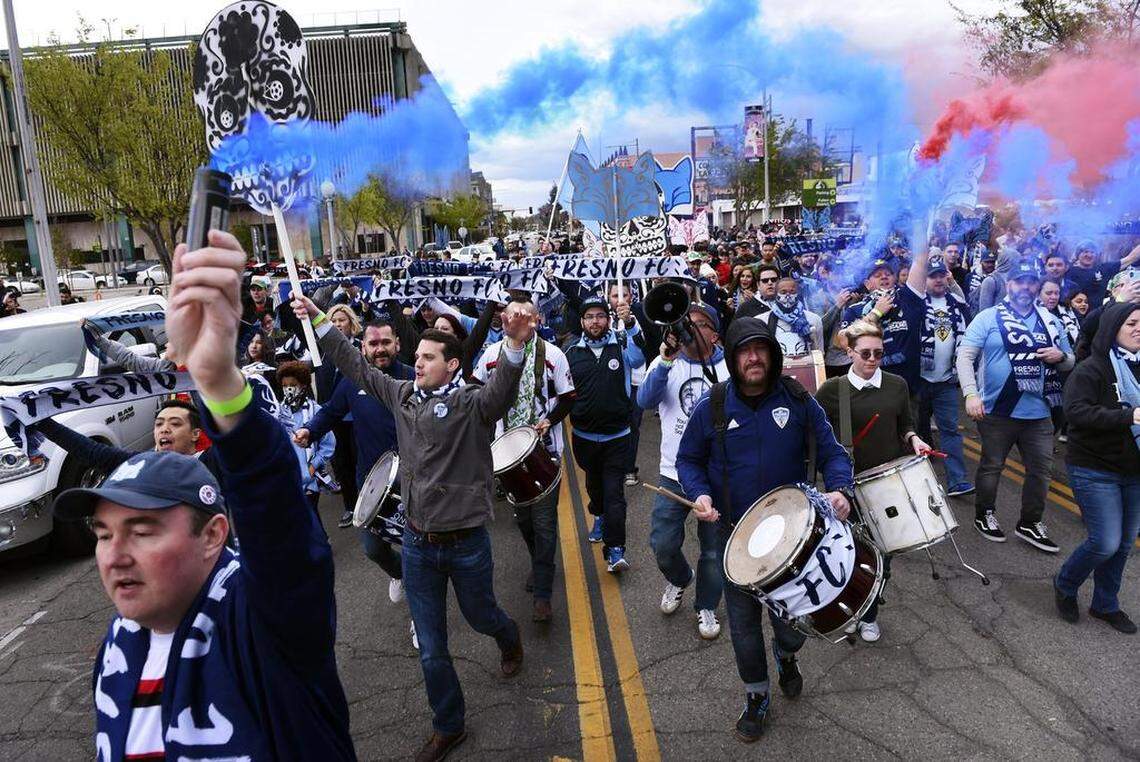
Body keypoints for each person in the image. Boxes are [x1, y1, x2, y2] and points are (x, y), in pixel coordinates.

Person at [55, 230, 355, 760]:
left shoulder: (265, 623)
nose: (114, 555)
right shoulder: (120, 646)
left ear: (214, 534)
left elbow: (273, 506)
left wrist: (219, 384)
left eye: (142, 531)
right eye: (103, 533)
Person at [293, 290, 532, 762]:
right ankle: (449, 725)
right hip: (418, 546)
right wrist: (320, 319)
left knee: (481, 617)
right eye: (417, 356)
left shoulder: (471, 404)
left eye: (427, 357)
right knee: (431, 650)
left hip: (468, 546)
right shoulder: (401, 395)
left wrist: (515, 345)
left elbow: (503, 389)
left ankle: (508, 637)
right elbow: (355, 365)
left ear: (451, 365)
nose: (417, 363)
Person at [676, 316, 854, 743]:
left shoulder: (797, 399)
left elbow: (832, 451)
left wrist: (842, 490)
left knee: (792, 627)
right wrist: (699, 494)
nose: (753, 358)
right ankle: (756, 694)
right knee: (742, 625)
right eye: (744, 351)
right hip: (732, 537)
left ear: (772, 355)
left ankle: (787, 655)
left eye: (761, 349)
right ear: (733, 357)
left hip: (793, 541)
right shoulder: (713, 405)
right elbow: (688, 461)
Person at [295, 320, 416, 636]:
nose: (379, 349)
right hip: (371, 482)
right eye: (373, 344)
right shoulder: (351, 382)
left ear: (397, 344)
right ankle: (401, 574)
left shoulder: (415, 379)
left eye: (385, 342)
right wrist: (311, 430)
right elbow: (331, 411)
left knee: (418, 548)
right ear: (363, 348)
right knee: (373, 549)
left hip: (415, 482)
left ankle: (422, 615)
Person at [815, 320, 930, 642]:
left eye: (879, 353)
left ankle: (869, 614)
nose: (872, 359)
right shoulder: (831, 391)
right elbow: (816, 435)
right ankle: (847, 609)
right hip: (846, 487)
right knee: (848, 555)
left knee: (882, 556)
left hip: (886, 485)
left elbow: (905, 425)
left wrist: (914, 439)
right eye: (865, 353)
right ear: (849, 352)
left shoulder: (897, 385)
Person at [958, 261, 1075, 552]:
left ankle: (1029, 522)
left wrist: (1059, 356)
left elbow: (1071, 361)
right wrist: (971, 394)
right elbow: (965, 357)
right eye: (1019, 282)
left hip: (1039, 412)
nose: (1025, 288)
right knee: (992, 466)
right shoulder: (989, 317)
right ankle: (984, 514)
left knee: (1040, 472)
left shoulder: (1050, 320)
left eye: (1031, 283)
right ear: (1009, 285)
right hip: (998, 409)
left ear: (1037, 287)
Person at [473, 301, 576, 623]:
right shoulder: (491, 355)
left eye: (523, 316)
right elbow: (476, 391)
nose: (516, 320)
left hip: (543, 450)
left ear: (536, 319)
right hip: (506, 452)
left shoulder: (553, 355)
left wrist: (549, 421)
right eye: (511, 315)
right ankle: (539, 562)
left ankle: (543, 593)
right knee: (524, 520)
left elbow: (568, 395)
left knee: (545, 523)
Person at [638, 303, 727, 639]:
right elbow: (645, 401)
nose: (692, 329)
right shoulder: (666, 363)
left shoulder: (730, 367)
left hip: (717, 477)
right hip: (673, 474)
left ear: (715, 334)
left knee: (713, 550)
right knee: (662, 542)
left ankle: (706, 605)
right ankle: (678, 578)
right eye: (687, 323)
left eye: (701, 324)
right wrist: (664, 359)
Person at [1054, 303, 1140, 634]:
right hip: (1094, 467)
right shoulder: (1093, 369)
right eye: (1131, 322)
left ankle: (1105, 604)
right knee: (1105, 541)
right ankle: (1065, 584)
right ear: (1113, 327)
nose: (1137, 328)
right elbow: (1075, 413)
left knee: (1123, 544)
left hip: (1133, 472)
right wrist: (1127, 416)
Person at [564, 295, 646, 572]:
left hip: (618, 437)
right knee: (595, 489)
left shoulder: (622, 344)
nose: (595, 321)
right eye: (590, 317)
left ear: (608, 319)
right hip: (585, 439)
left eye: (600, 316)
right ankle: (597, 514)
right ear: (582, 321)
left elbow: (639, 358)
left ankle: (616, 550)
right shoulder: (571, 352)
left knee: (614, 495)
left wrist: (631, 324)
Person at [914, 254, 974, 496]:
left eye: (942, 275)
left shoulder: (959, 305)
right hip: (917, 381)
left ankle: (957, 481)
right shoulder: (915, 304)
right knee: (917, 431)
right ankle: (919, 485)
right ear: (924, 279)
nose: (938, 280)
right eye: (932, 276)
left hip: (946, 381)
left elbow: (970, 340)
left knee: (950, 430)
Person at [317, 304, 363, 528]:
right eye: (333, 321)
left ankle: (368, 504)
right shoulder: (324, 352)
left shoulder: (360, 349)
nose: (337, 325)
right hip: (335, 418)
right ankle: (350, 506)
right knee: (342, 464)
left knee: (360, 461)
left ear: (351, 323)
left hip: (357, 416)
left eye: (341, 320)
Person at [275, 360, 336, 523]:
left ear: (303, 385)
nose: (288, 389)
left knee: (310, 516)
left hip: (309, 479)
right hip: (288, 478)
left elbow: (329, 444)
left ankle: (322, 545)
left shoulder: (315, 411)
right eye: (285, 385)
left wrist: (312, 467)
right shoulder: (278, 413)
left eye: (293, 384)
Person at [1067, 241, 1140, 308]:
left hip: (1099, 315)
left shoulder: (1104, 268)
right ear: (1077, 254)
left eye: (1092, 252)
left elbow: (1131, 258)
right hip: (1077, 315)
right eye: (1085, 252)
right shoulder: (1069, 271)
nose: (1089, 255)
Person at [765, 277, 824, 356]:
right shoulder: (763, 321)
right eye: (783, 292)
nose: (788, 296)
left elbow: (819, 354)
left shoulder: (814, 319)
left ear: (798, 293)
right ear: (776, 294)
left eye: (792, 292)